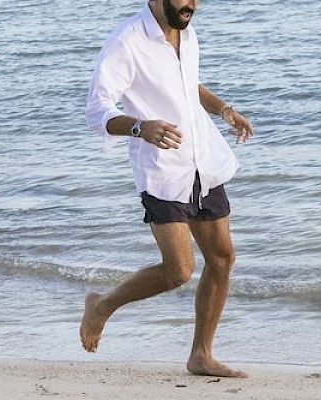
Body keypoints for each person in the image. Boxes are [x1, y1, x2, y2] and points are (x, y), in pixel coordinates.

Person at [78, 0, 256, 378]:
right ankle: (102, 305)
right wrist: (142, 127)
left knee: (222, 259)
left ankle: (201, 355)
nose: (190, 4)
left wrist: (224, 110)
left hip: (203, 161)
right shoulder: (127, 41)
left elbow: (186, 86)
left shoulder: (186, 33)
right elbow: (97, 110)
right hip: (163, 170)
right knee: (178, 271)